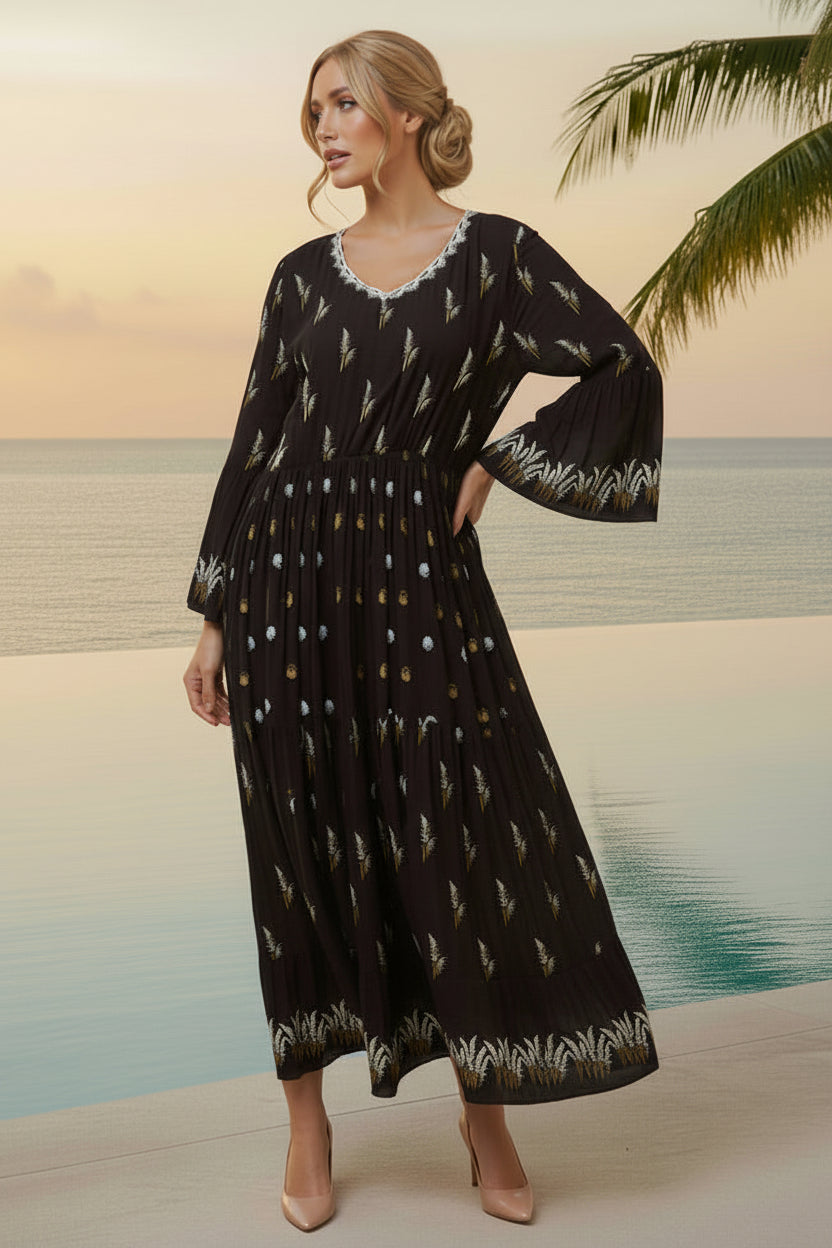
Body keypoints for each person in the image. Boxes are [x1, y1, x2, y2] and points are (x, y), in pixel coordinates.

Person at [183, 28, 663, 1233]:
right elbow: (254, 449)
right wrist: (211, 619)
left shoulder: (497, 258)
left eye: (344, 104)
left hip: (418, 583)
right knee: (295, 841)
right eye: (314, 114)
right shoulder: (299, 277)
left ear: (402, 111)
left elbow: (619, 361)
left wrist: (497, 461)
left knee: (450, 828)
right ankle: (307, 1123)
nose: (326, 129)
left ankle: (481, 1112)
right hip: (286, 586)